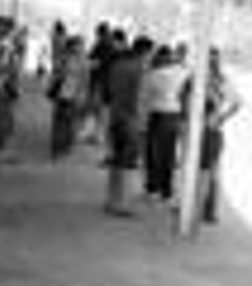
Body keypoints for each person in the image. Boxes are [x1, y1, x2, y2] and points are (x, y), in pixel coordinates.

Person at [187, 48, 242, 224]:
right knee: (203, 171)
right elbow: (182, 99)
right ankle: (198, 209)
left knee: (210, 172)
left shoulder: (221, 81)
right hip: (200, 129)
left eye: (213, 61)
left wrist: (220, 118)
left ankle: (206, 211)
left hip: (211, 130)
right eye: (208, 61)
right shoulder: (194, 79)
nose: (211, 64)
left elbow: (238, 103)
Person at [104, 36, 151, 216]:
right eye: (149, 53)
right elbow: (139, 99)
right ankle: (123, 204)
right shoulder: (140, 70)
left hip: (115, 116)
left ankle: (111, 201)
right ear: (145, 52)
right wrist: (142, 122)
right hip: (131, 120)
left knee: (116, 161)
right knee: (129, 163)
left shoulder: (117, 66)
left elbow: (109, 91)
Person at [141, 44, 190, 205]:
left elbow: (146, 97)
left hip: (157, 115)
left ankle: (153, 188)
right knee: (168, 155)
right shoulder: (183, 72)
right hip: (174, 115)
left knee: (153, 153)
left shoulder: (154, 74)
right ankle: (166, 191)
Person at [50, 34, 89, 159]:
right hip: (64, 95)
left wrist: (82, 95)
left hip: (72, 95)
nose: (82, 47)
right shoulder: (68, 59)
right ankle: (58, 147)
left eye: (82, 45)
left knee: (68, 122)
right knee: (62, 122)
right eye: (79, 45)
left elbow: (85, 81)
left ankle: (63, 146)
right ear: (73, 46)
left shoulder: (81, 61)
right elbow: (57, 74)